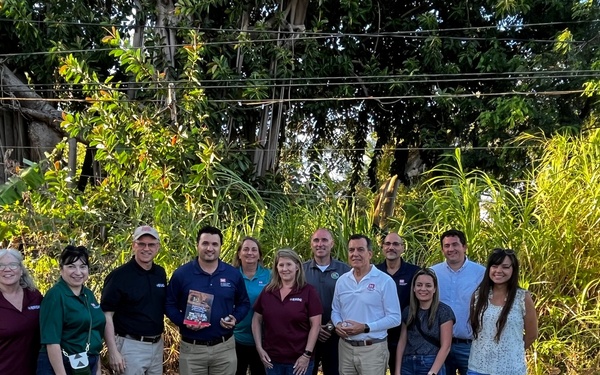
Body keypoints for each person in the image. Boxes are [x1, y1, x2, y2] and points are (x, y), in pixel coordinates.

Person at [166, 225, 251, 375]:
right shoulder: (182, 274)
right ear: (197, 245)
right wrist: (183, 321)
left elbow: (244, 303)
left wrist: (235, 318)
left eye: (214, 244)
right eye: (205, 243)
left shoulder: (232, 274)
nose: (209, 248)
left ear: (220, 247)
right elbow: (169, 304)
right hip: (192, 349)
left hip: (224, 348)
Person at [101, 225, 167, 375]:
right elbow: (106, 315)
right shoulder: (119, 276)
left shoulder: (160, 273)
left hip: (157, 346)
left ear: (158, 247)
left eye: (151, 244)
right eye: (141, 244)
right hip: (130, 346)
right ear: (133, 246)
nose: (146, 248)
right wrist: (113, 351)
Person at [331, 234, 401, 375]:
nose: (355, 254)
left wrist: (365, 328)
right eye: (351, 250)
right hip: (345, 348)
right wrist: (338, 324)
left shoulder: (384, 281)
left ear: (370, 254)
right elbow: (335, 310)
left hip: (372, 349)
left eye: (360, 249)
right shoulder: (342, 281)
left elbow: (395, 318)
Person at [467, 249, 538, 375]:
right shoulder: (479, 296)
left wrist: (511, 351)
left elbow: (532, 334)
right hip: (478, 367)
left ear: (513, 269)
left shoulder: (522, 298)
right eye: (494, 266)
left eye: (505, 267)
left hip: (510, 368)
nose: (498, 271)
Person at [37, 245, 106, 375]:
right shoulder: (55, 296)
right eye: (71, 266)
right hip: (60, 365)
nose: (78, 272)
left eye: (82, 266)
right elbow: (52, 342)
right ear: (61, 269)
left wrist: (97, 368)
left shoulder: (88, 294)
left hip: (86, 364)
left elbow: (94, 333)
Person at [252, 249, 322, 375]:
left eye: (288, 264)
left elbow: (316, 325)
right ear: (276, 268)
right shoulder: (268, 292)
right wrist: (259, 348)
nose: (285, 269)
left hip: (299, 361)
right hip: (272, 360)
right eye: (281, 265)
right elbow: (256, 319)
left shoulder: (308, 291)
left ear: (297, 267)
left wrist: (306, 355)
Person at [430, 229, 485, 375]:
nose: (451, 249)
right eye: (447, 246)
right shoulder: (432, 273)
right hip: (438, 345)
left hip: (469, 346)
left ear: (465, 247)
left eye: (455, 244)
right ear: (442, 249)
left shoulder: (481, 273)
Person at [303, 228, 351, 375]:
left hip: (336, 334)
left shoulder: (345, 270)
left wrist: (330, 327)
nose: (320, 244)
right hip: (307, 335)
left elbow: (349, 302)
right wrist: (315, 328)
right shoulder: (301, 270)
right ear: (311, 244)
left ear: (332, 243)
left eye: (324, 240)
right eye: (316, 240)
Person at [395, 268, 454, 375]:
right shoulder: (408, 311)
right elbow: (402, 342)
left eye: (428, 285)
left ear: (434, 288)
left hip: (430, 362)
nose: (423, 289)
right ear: (413, 288)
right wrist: (397, 370)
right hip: (407, 364)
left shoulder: (444, 311)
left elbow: (446, 346)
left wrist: (433, 372)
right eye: (419, 285)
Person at [376, 232, 420, 373]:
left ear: (402, 248)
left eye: (396, 244)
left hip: (405, 335)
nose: (391, 247)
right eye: (387, 244)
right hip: (378, 334)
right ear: (382, 248)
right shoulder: (374, 272)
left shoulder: (414, 272)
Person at [0, 248, 43, 375]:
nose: (7, 269)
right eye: (1, 265)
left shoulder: (35, 296)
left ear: (21, 270)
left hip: (36, 371)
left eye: (13, 264)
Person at [232, 236, 271, 375]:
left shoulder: (269, 276)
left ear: (259, 255)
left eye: (254, 250)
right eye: (246, 249)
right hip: (236, 338)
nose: (250, 253)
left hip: (263, 340)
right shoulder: (231, 275)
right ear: (239, 253)